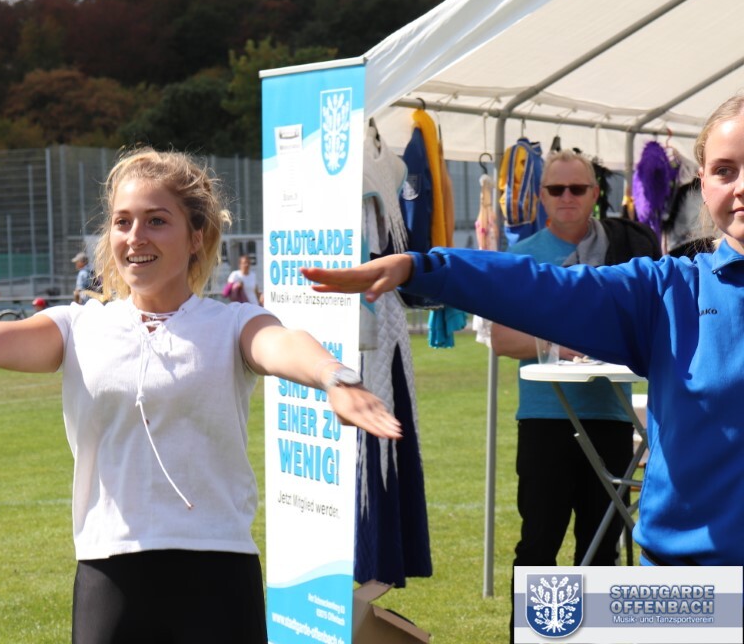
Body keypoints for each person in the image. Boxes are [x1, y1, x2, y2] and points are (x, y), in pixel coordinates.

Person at [0, 147, 402, 643]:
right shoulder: (79, 326)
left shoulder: (231, 323)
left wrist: (333, 378)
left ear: (195, 236)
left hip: (217, 568)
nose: (136, 236)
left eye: (157, 220)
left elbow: (283, 344)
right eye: (123, 221)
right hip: (111, 571)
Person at [302, 91, 744, 568]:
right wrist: (423, 267)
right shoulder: (669, 291)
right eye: (725, 170)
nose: (741, 186)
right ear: (702, 182)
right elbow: (542, 288)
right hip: (689, 582)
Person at [492, 150, 649, 567]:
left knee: (601, 549)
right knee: (538, 544)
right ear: (541, 196)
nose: (567, 197)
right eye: (556, 189)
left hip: (611, 416)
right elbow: (501, 339)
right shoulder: (521, 256)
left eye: (577, 189)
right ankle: (531, 617)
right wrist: (563, 345)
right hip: (546, 417)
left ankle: (592, 617)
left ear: (595, 194)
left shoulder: (624, 249)